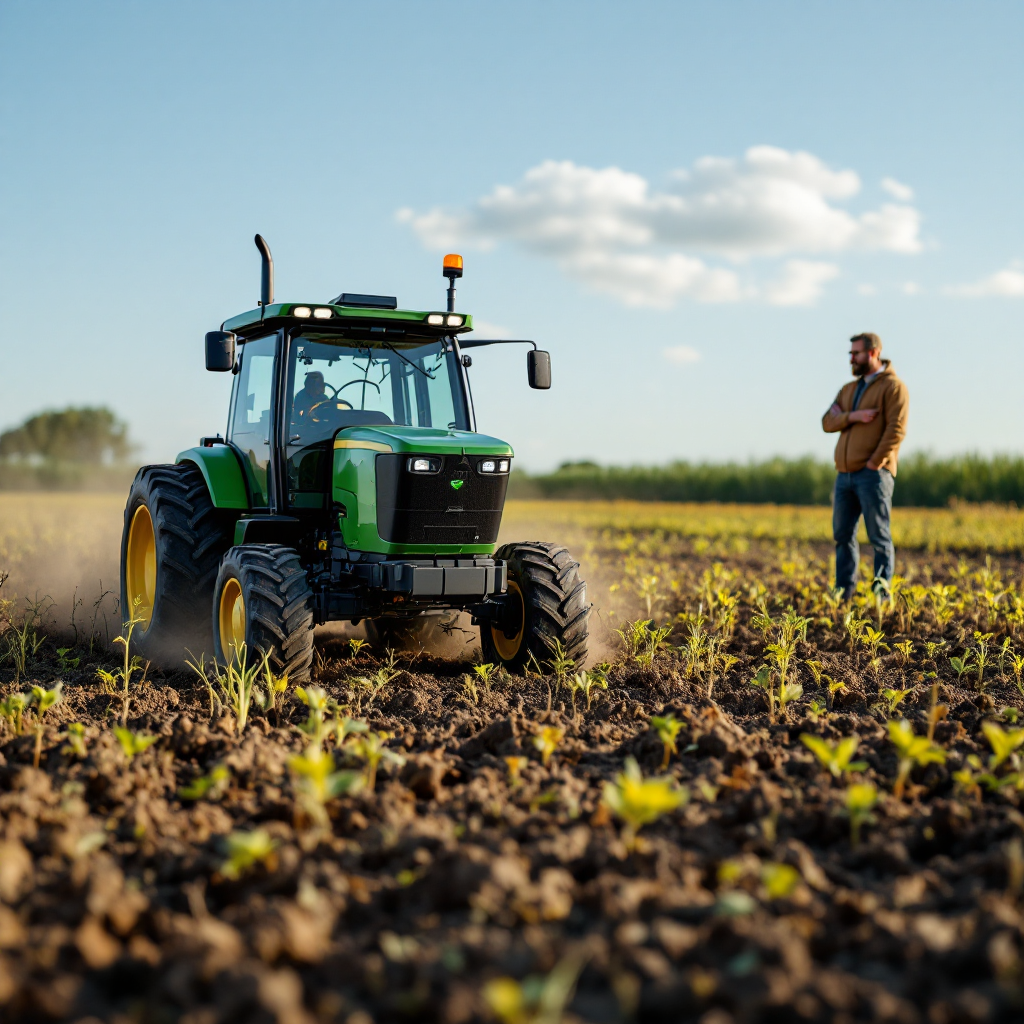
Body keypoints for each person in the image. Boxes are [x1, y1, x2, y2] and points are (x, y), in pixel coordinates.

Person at [822, 332, 909, 600]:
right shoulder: (848, 390)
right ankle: (844, 593)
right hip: (844, 475)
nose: (851, 358)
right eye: (851, 353)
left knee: (879, 537)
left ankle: (882, 596)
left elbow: (896, 430)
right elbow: (827, 422)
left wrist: (874, 463)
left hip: (872, 475)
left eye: (856, 353)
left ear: (873, 353)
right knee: (843, 536)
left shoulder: (893, 388)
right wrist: (854, 416)